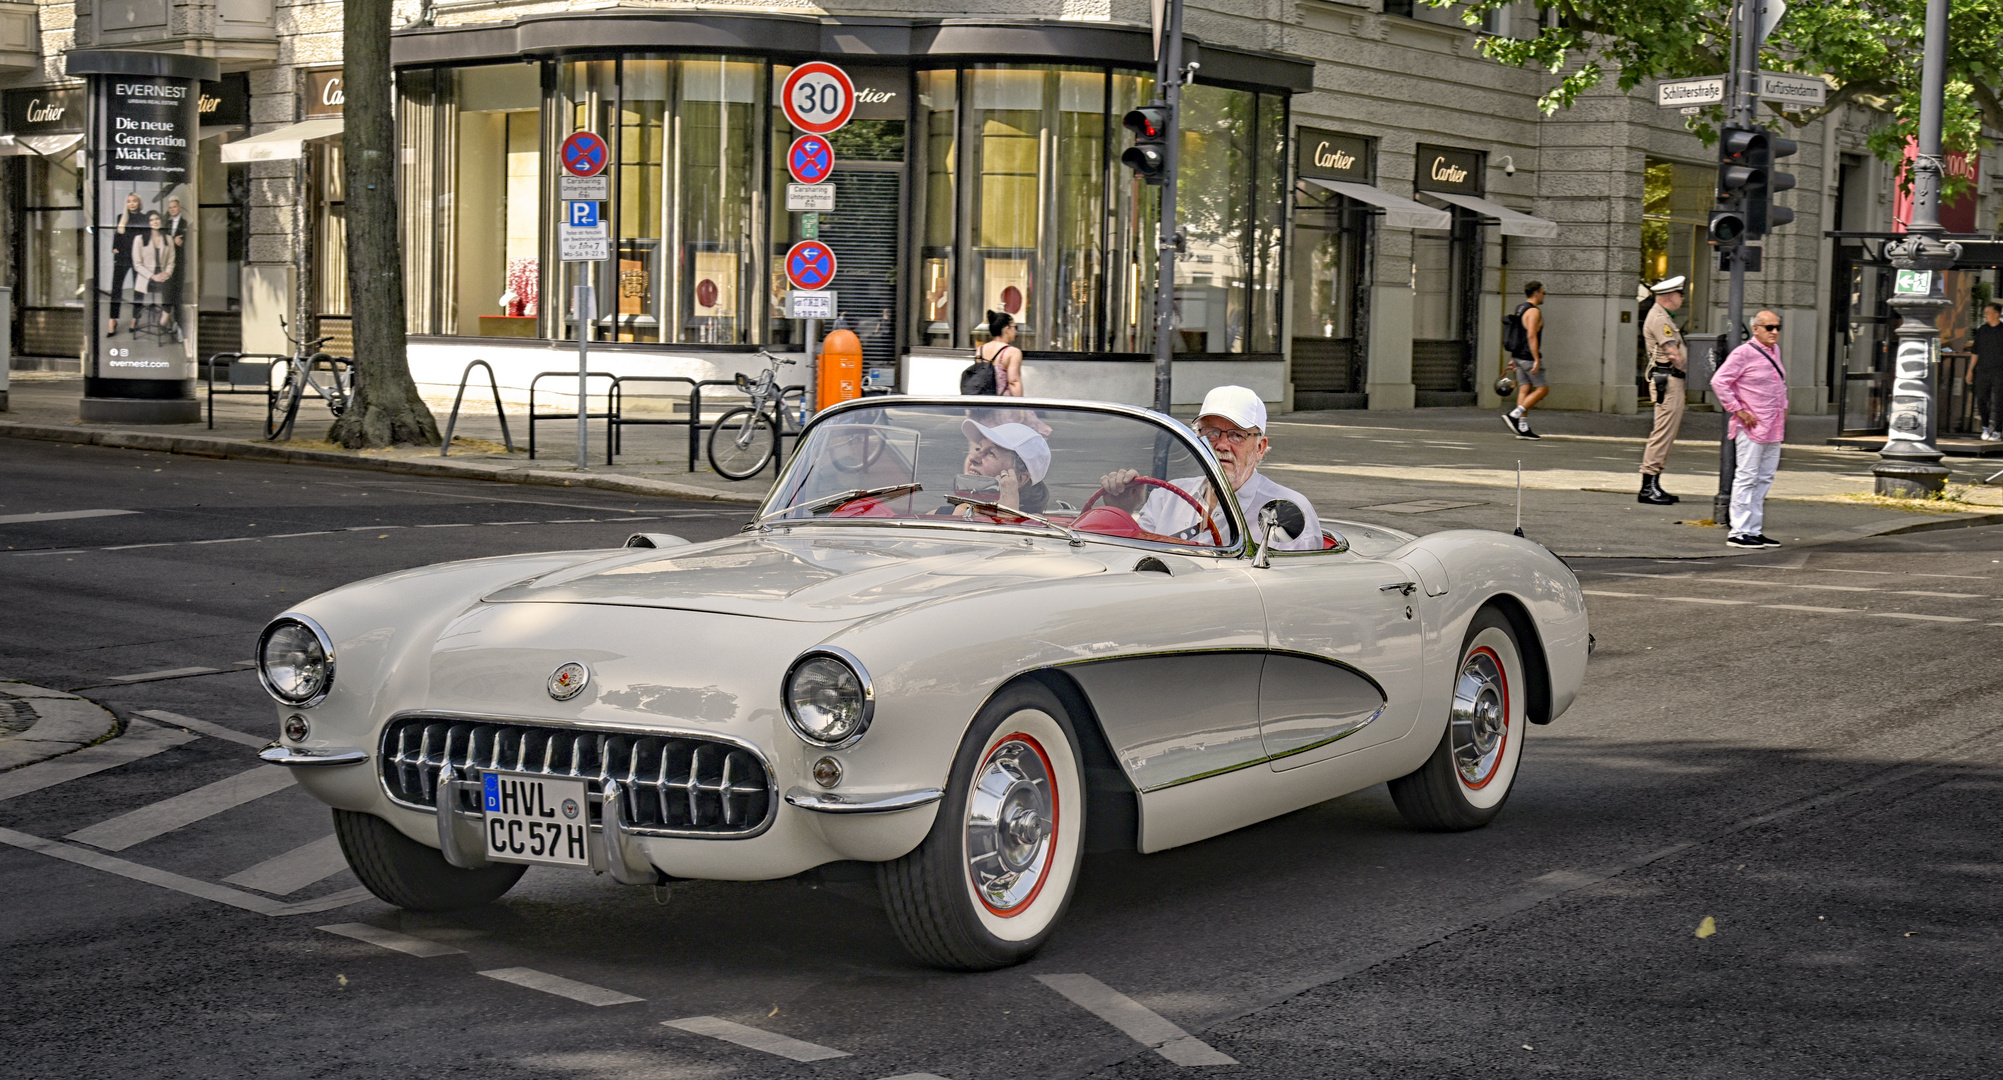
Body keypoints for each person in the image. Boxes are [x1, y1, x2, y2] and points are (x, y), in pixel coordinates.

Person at [1096, 385, 1321, 551]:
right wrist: (1122, 511)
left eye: (1236, 435)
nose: (1221, 445)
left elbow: (1298, 588)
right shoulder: (1167, 497)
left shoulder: (1290, 509)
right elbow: (1131, 559)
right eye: (1211, 433)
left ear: (1260, 448)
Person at [1711, 310, 1788, 549]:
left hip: (1773, 425)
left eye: (1778, 327)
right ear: (1756, 329)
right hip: (1752, 426)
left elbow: (1780, 384)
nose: (1775, 332)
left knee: (1764, 478)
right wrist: (1738, 409)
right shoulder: (1744, 353)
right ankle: (1739, 531)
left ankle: (1754, 529)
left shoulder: (1775, 351)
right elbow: (1719, 381)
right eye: (1769, 328)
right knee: (1747, 477)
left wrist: (1784, 408)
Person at [1637, 275, 1689, 505]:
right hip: (1668, 380)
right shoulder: (1660, 319)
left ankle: (1654, 482)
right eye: (1680, 293)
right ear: (1669, 296)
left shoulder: (1663, 316)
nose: (1683, 298)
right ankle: (1648, 486)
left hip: (1669, 380)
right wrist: (1692, 368)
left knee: (1666, 433)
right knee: (1662, 433)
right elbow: (1673, 355)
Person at [957, 419, 1050, 516]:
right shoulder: (950, 512)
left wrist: (1007, 513)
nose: (973, 457)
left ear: (1020, 479)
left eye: (991, 453)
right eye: (978, 449)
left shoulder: (1035, 526)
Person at [1503, 281, 1548, 439]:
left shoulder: (1520, 308)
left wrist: (1512, 358)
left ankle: (1522, 427)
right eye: (1543, 292)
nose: (1544, 295)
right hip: (1528, 356)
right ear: (1536, 293)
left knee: (1525, 388)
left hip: (1518, 356)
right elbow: (1530, 335)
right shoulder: (1534, 311)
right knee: (1542, 389)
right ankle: (1514, 415)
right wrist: (1536, 358)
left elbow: (1516, 334)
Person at [130, 212, 175, 332]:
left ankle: (165, 315)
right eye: (151, 220)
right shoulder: (139, 239)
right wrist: (152, 276)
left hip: (163, 277)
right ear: (147, 223)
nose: (155, 222)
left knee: (172, 285)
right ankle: (134, 319)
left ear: (161, 221)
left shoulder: (168, 239)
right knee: (138, 293)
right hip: (147, 278)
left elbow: (171, 261)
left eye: (157, 219)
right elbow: (137, 264)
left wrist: (167, 273)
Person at [106, 193, 142, 337]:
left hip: (138, 258)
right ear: (126, 204)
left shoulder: (143, 218)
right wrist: (114, 248)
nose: (132, 204)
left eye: (134, 201)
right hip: (122, 257)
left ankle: (135, 318)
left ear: (139, 203)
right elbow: (117, 235)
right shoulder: (121, 217)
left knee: (139, 289)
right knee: (116, 288)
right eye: (129, 201)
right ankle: (112, 320)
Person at [1967, 302, 2003, 442]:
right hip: (1982, 370)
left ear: (1996, 314)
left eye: (1988, 312)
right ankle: (1985, 426)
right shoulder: (1982, 330)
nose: (1985, 315)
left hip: (2000, 370)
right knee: (1982, 398)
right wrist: (1970, 370)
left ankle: (1998, 429)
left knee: (1999, 400)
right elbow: (1975, 351)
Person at [161, 197, 190, 341]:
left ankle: (178, 327)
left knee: (177, 295)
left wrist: (170, 241)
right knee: (167, 293)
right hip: (166, 265)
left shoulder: (186, 224)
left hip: (178, 265)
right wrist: (172, 241)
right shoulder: (166, 223)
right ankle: (170, 323)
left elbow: (183, 244)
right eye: (170, 207)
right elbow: (164, 243)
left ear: (179, 208)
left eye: (174, 207)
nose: (172, 209)